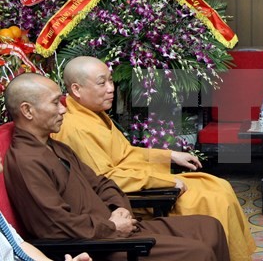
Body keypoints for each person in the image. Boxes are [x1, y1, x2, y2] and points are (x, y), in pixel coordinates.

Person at [4, 73, 230, 261]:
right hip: (96, 246)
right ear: (27, 111)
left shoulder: (55, 146)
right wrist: (111, 227)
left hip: (117, 228)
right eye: (55, 103)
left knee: (210, 226)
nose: (63, 110)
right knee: (199, 253)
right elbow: (54, 226)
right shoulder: (26, 161)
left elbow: (102, 183)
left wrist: (119, 208)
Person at [52, 56, 255, 261]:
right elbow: (106, 178)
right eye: (101, 83)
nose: (111, 88)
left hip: (142, 181)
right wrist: (166, 181)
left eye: (111, 80)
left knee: (219, 186)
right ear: (76, 90)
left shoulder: (93, 114)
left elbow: (126, 153)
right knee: (212, 198)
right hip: (135, 197)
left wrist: (170, 155)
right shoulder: (74, 127)